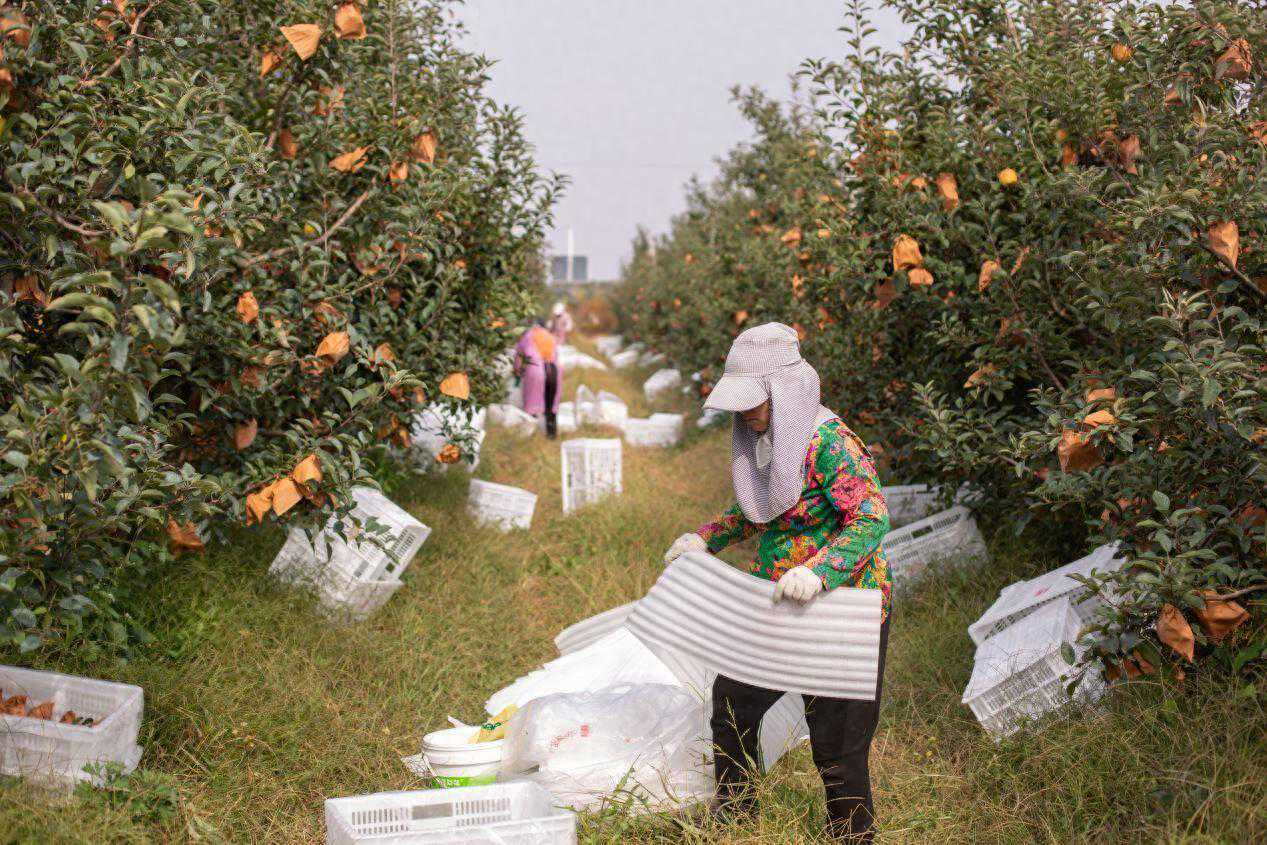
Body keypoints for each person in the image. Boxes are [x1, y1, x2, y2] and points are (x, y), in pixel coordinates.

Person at [662, 322, 891, 843]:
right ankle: (737, 820)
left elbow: (872, 518)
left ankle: (851, 835)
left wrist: (820, 571)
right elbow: (760, 510)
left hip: (844, 606)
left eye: (754, 400)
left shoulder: (830, 442)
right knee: (734, 705)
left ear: (784, 390)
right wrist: (705, 538)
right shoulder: (765, 439)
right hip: (779, 598)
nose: (745, 412)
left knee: (838, 738)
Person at [513, 319, 563, 437]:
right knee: (551, 405)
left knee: (532, 404)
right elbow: (556, 356)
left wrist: (517, 371)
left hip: (536, 370)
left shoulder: (527, 336)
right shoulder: (549, 336)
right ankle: (551, 434)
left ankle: (531, 435)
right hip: (553, 371)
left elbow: (519, 356)